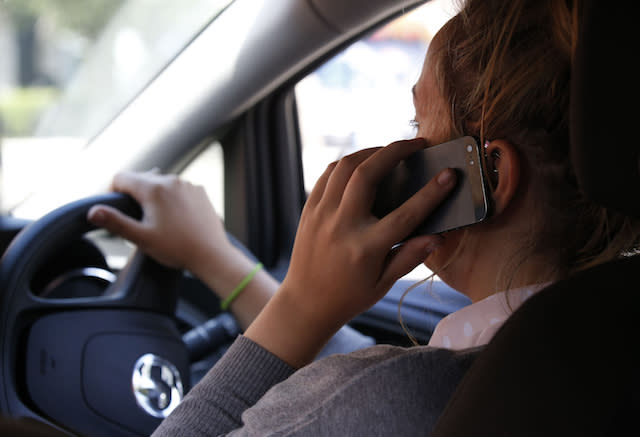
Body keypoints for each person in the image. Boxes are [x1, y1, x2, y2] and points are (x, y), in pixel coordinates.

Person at [87, 0, 640, 434]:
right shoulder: (596, 353)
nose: (400, 149)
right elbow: (367, 388)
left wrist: (302, 303)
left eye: (420, 126)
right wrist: (221, 261)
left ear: (489, 174)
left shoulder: (401, 400)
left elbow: (368, 398)